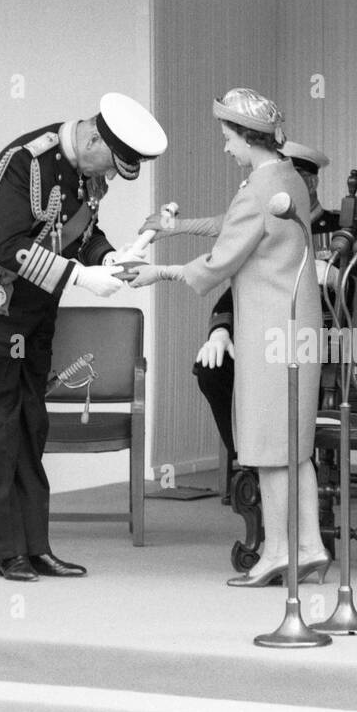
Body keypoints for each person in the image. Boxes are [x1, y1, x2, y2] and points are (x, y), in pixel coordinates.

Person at [0, 93, 167, 582]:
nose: (108, 179)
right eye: (113, 164)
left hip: (36, 308)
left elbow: (83, 231)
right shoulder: (25, 162)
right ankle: (6, 549)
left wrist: (106, 258)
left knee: (31, 424)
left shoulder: (85, 169)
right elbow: (9, 245)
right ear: (95, 137)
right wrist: (81, 278)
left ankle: (36, 544)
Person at [130, 88, 327, 586]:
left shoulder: (258, 187)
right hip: (300, 330)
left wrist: (159, 273)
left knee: (264, 447)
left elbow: (223, 261)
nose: (224, 147)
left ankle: (279, 552)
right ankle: (310, 547)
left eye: (228, 137)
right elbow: (235, 225)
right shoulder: (286, 177)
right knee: (295, 446)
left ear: (248, 138)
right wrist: (177, 227)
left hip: (267, 334)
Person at [191, 139, 339, 461]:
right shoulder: (261, 221)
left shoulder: (341, 228)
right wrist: (220, 331)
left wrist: (335, 276)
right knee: (212, 368)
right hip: (270, 336)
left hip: (332, 341)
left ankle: (278, 464)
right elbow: (240, 284)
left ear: (308, 182)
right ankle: (249, 462)